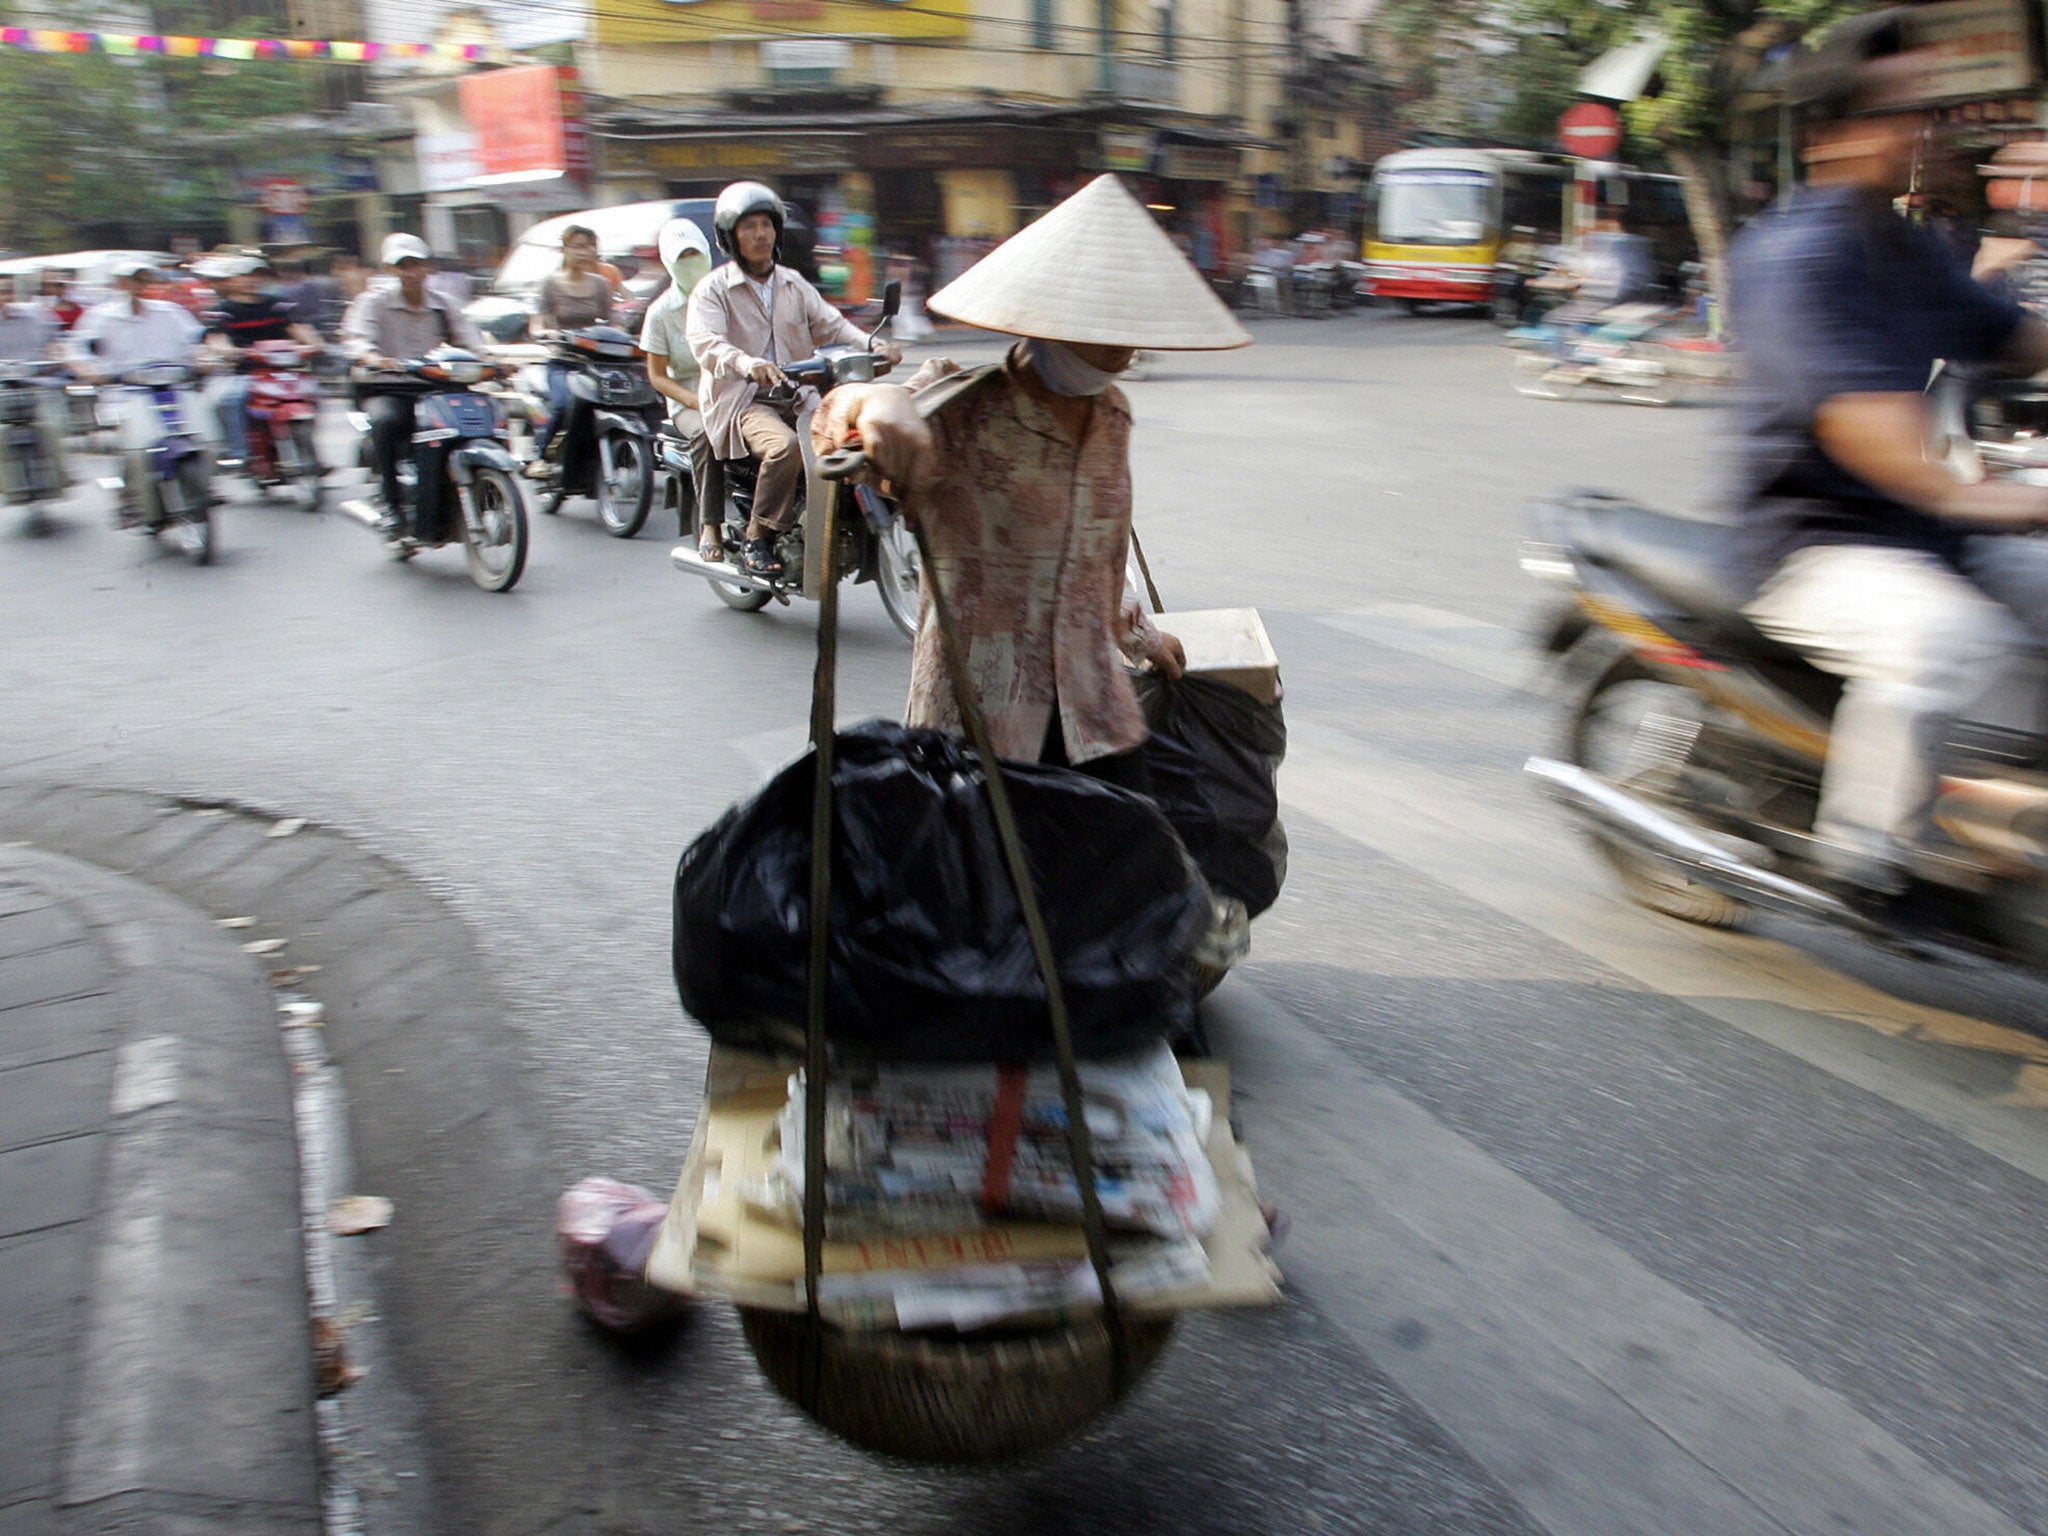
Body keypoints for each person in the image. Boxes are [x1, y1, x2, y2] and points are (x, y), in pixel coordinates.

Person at [1728, 6, 2048, 907]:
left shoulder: (1908, 248)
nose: (1926, 132)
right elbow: (1888, 448)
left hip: (1924, 535)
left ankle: (2001, 821)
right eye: (1901, 112)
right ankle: (1870, 855)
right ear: (1834, 135)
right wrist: (2022, 502)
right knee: (1949, 640)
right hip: (1820, 546)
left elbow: (2015, 336)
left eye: (1927, 111)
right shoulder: (1801, 258)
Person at [811, 174, 1233, 789]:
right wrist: (867, 402)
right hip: (980, 731)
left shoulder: (1113, 416)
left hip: (1096, 722)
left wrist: (1143, 636)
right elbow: (834, 426)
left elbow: (1092, 565)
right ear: (1051, 315)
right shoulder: (957, 406)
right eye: (1105, 322)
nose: (1125, 347)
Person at [686, 180, 897, 579]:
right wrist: (746, 363)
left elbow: (833, 325)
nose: (760, 234)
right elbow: (706, 343)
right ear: (731, 237)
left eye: (765, 225)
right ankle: (757, 535)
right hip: (744, 399)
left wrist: (875, 344)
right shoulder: (712, 291)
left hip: (798, 394)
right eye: (749, 227)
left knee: (853, 437)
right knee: (785, 448)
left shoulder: (793, 283)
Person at [340, 233, 486, 535]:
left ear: (429, 267)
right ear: (391, 270)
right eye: (402, 265)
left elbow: (470, 339)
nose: (411, 272)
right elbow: (356, 340)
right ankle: (392, 505)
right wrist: (374, 358)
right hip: (389, 386)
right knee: (386, 422)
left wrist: (489, 361)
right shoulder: (372, 303)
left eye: (416, 264)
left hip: (436, 388)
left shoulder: (444, 305)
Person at [69, 259, 207, 526]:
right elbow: (76, 350)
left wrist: (204, 360)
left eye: (143, 278)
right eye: (132, 279)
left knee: (203, 438)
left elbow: (198, 341)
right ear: (120, 283)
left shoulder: (171, 311)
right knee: (133, 449)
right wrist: (88, 371)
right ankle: (129, 495)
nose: (138, 285)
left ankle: (202, 486)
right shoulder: (100, 316)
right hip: (126, 392)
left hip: (174, 388)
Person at [638, 218, 724, 553]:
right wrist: (693, 400)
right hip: (690, 403)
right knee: (707, 433)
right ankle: (710, 526)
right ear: (669, 263)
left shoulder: (725, 296)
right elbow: (658, 376)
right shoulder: (660, 313)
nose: (691, 264)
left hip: (734, 392)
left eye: (695, 255)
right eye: (682, 258)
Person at [201, 255, 324, 466]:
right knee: (230, 400)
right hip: (246, 372)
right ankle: (241, 452)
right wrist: (230, 351)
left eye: (256, 275)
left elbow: (298, 328)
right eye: (244, 276)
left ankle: (310, 454)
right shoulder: (221, 311)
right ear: (230, 280)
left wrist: (316, 344)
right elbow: (216, 339)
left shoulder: (277, 304)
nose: (251, 280)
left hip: (284, 370)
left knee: (313, 393)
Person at [528, 224, 619, 475]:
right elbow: (538, 320)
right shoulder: (550, 284)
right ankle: (542, 456)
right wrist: (544, 333)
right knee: (563, 405)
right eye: (577, 246)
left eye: (589, 246)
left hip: (596, 363)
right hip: (563, 361)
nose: (583, 252)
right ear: (564, 250)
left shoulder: (601, 285)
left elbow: (612, 322)